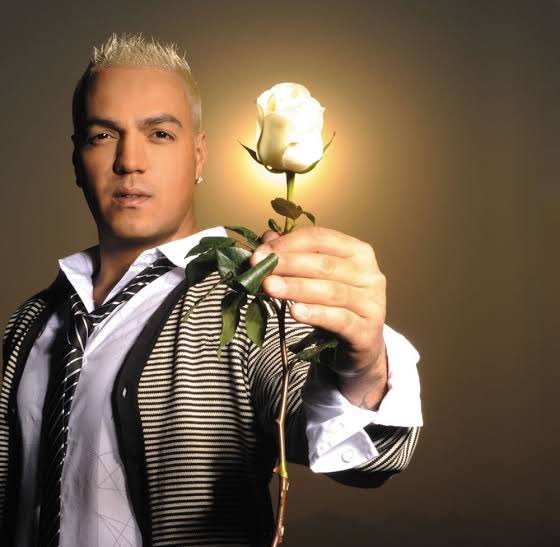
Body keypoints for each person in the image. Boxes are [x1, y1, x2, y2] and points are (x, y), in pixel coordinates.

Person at [0, 33, 423, 547]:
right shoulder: (31, 320)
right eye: (102, 135)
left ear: (199, 156)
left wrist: (365, 366)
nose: (129, 160)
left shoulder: (246, 299)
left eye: (159, 133)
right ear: (76, 159)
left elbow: (364, 453)